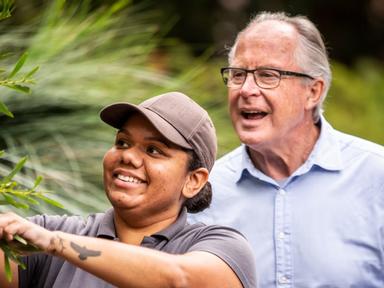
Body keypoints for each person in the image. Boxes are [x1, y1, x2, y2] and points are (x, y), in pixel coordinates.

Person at [190, 11, 384, 287]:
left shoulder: (376, 177)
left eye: (267, 75)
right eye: (238, 74)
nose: (246, 89)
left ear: (313, 92)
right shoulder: (205, 191)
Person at [0, 91, 256, 288]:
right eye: (122, 142)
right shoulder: (50, 233)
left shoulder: (223, 247)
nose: (128, 157)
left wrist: (54, 243)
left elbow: (178, 279)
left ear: (193, 181)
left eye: (154, 150)